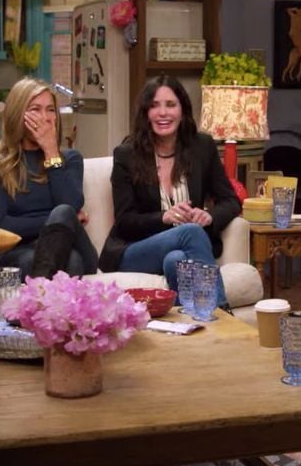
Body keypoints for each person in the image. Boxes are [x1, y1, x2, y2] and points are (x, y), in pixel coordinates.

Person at [99, 75, 238, 307]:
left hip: (183, 248)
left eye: (171, 105)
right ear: (146, 113)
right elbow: (124, 221)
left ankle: (189, 316)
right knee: (190, 232)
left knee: (177, 260)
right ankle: (222, 311)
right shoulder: (126, 155)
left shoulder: (202, 147)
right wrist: (164, 217)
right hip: (135, 249)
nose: (163, 113)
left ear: (182, 110)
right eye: (154, 106)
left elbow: (231, 201)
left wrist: (209, 216)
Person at [0, 78, 96, 278]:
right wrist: (63, 222)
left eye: (50, 110)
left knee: (63, 211)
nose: (45, 118)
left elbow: (71, 204)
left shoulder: (71, 159)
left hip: (73, 244)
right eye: (35, 109)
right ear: (18, 114)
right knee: (71, 259)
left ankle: (39, 289)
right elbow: (3, 225)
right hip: (21, 250)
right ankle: (48, 293)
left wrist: (51, 151)